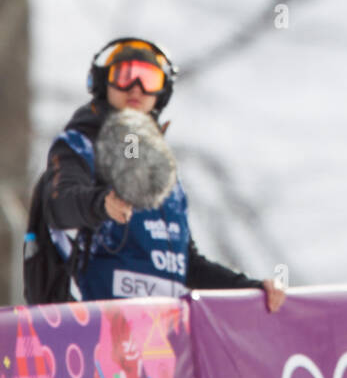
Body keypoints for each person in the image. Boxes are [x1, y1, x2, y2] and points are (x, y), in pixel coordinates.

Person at [23, 37, 286, 310]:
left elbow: (186, 264)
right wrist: (102, 204)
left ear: (163, 92)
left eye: (149, 79)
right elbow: (59, 205)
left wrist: (250, 290)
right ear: (103, 82)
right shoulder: (80, 145)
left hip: (160, 335)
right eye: (125, 76)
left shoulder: (163, 171)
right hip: (92, 332)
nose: (136, 88)